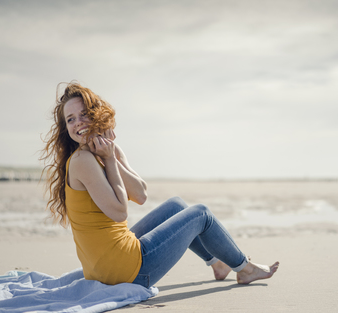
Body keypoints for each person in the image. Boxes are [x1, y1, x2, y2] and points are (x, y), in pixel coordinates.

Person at [40, 81, 279, 288]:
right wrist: (110, 160)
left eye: (83, 114)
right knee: (201, 214)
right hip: (122, 272)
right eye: (70, 119)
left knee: (177, 205)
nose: (77, 123)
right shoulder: (82, 160)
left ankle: (217, 263)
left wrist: (111, 156)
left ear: (96, 114)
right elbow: (120, 212)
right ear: (65, 128)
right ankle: (245, 268)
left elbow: (141, 195)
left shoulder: (101, 151)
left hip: (105, 266)